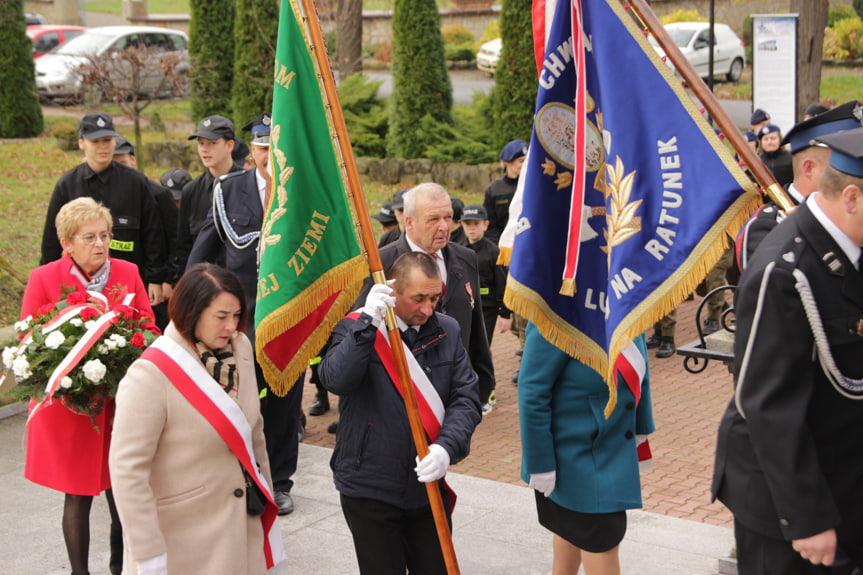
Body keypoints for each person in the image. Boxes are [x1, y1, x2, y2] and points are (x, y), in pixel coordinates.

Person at [712, 127, 863, 574]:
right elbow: (766, 404)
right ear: (851, 198)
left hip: (843, 474)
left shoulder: (849, 246)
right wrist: (808, 517)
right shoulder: (785, 270)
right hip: (786, 503)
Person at [109, 263, 284, 575]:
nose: (231, 326)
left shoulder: (241, 347)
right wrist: (147, 552)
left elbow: (254, 433)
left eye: (236, 315)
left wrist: (267, 499)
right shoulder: (150, 374)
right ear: (191, 311)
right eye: (221, 317)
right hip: (184, 540)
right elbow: (127, 471)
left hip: (245, 527)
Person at [319, 251, 481, 575]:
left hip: (426, 488)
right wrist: (366, 325)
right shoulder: (357, 328)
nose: (428, 308)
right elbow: (336, 379)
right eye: (418, 298)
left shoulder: (447, 330)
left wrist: (446, 448)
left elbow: (466, 398)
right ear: (393, 292)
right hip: (369, 487)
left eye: (435, 298)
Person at [22, 197, 158, 575]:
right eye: (89, 237)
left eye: (105, 236)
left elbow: (148, 327)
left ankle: (121, 568)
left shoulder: (128, 272)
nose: (100, 244)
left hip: (119, 405)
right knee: (78, 496)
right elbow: (30, 344)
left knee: (123, 494)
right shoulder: (44, 279)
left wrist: (124, 353)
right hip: (74, 407)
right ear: (66, 243)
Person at [187, 112, 302, 515]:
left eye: (275, 148)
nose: (268, 155)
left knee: (284, 403)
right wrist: (189, 302)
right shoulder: (229, 189)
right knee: (238, 401)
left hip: (287, 317)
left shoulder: (301, 191)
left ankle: (281, 481)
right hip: (241, 321)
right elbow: (205, 250)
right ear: (250, 150)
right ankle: (241, 475)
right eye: (262, 148)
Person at [520, 324, 654, 575]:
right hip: (574, 457)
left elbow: (640, 368)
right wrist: (540, 463)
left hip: (610, 447)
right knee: (599, 538)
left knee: (572, 535)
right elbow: (532, 391)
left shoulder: (623, 299)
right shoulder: (556, 308)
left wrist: (641, 427)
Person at [358, 182, 496, 413]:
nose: (444, 227)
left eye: (448, 217)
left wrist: (483, 383)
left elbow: (476, 324)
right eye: (433, 219)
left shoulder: (465, 258)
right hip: (400, 398)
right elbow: (361, 328)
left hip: (455, 395)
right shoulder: (381, 264)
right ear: (409, 221)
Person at [40, 113, 166, 309]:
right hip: (76, 288)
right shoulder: (67, 185)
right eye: (95, 141)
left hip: (128, 285)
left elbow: (153, 233)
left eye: (107, 140)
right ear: (81, 143)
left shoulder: (136, 182)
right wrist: (48, 281)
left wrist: (155, 278)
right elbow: (52, 240)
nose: (102, 147)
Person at [736, 101, 862, 270]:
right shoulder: (766, 225)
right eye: (841, 161)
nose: (854, 170)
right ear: (809, 168)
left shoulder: (853, 214)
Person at [113, 136, 179, 331]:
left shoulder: (158, 194)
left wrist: (167, 279)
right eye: (113, 165)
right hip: (116, 286)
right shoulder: (100, 196)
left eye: (123, 163)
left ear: (133, 160)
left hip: (151, 286)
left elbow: (175, 240)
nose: (120, 171)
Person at [175, 115, 242, 271]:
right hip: (205, 284)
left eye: (212, 143)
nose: (205, 149)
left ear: (229, 145)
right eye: (201, 143)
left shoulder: (249, 185)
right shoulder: (190, 191)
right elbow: (183, 248)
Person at [459, 204, 510, 347]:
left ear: (485, 225)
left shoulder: (494, 252)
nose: (472, 228)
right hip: (465, 307)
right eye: (468, 224)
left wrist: (505, 314)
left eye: (476, 223)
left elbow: (502, 283)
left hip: (487, 308)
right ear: (462, 225)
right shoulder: (458, 249)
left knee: (482, 346)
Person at [483, 139, 527, 244]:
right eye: (521, 161)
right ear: (507, 162)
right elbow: (490, 226)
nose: (525, 165)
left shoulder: (533, 186)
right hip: (503, 246)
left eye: (527, 161)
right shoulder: (494, 190)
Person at [757, 123, 793, 188]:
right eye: (766, 139)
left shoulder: (791, 158)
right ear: (761, 142)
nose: (769, 142)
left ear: (780, 140)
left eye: (773, 138)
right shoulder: (757, 161)